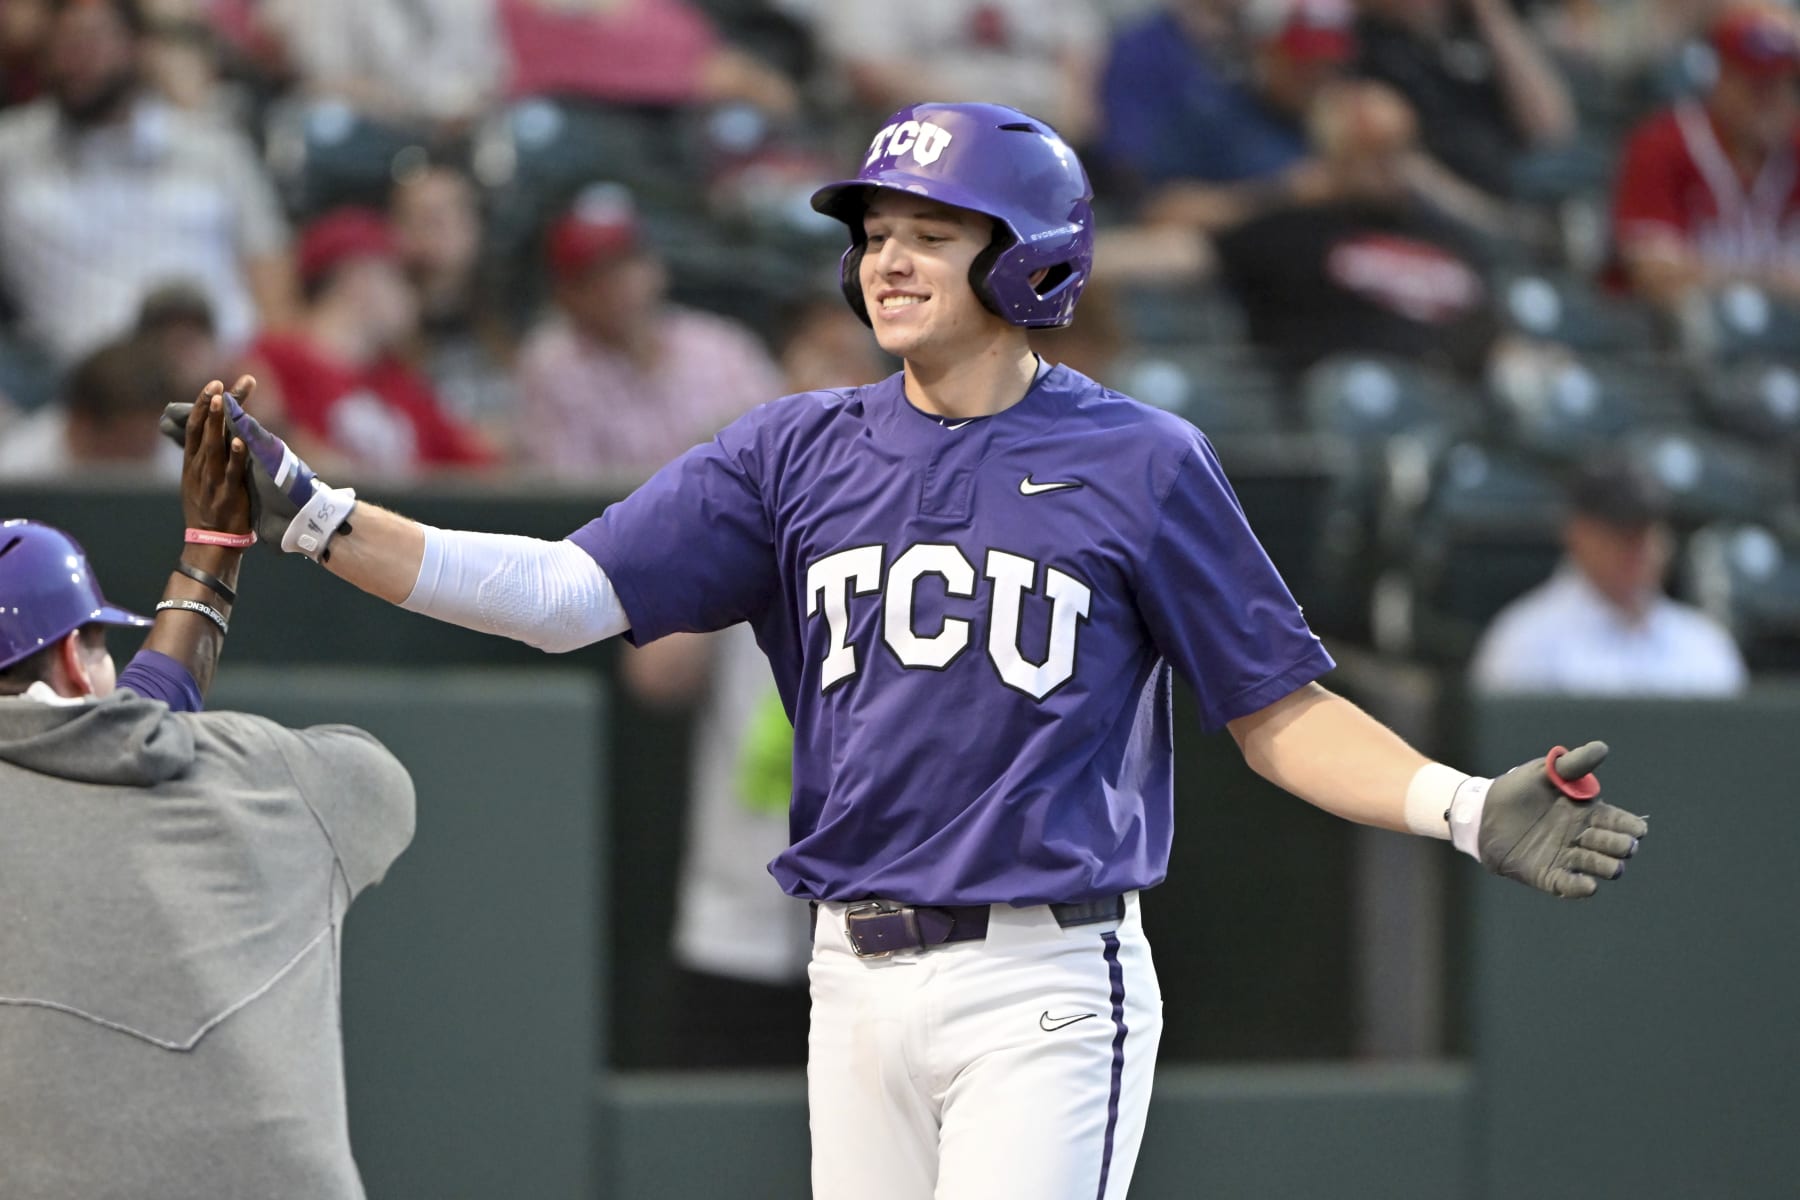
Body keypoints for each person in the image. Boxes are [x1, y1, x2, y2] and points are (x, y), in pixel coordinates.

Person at [161, 102, 1648, 1200]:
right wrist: (316, 516)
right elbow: (561, 594)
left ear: (1032, 261)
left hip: (1044, 980)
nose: (889, 260)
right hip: (851, 975)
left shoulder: (1142, 459)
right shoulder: (795, 449)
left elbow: (1273, 709)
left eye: (932, 234)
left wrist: (1456, 804)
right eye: (876, 235)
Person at [0, 381, 416, 1198]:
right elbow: (382, 793)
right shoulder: (260, 773)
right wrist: (217, 551)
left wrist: (208, 557)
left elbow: (97, 737)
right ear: (79, 659)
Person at [0, 0, 294, 364]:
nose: (76, 58)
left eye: (91, 39)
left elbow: (270, 272)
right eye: (61, 44)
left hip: (231, 370)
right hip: (99, 387)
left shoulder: (213, 147)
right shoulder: (11, 156)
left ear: (136, 46)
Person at [1210, 79, 1498, 377]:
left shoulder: (1445, 236)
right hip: (1345, 401)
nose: (1393, 165)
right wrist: (1279, 194)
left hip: (1452, 396)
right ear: (1336, 155)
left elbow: (1488, 327)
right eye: (1375, 151)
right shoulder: (1286, 233)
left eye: (1402, 148)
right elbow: (1181, 241)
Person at [513, 185, 785, 481]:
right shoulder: (553, 365)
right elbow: (567, 498)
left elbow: (781, 452)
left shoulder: (720, 345)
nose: (617, 285)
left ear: (655, 268)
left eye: (627, 264)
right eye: (594, 275)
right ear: (565, 295)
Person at [243, 206, 498, 477]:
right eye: (401, 277)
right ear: (360, 278)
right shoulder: (270, 362)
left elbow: (484, 469)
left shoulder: (401, 385)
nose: (413, 296)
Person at [1470, 454, 1748, 695]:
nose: (1638, 547)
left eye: (1647, 531)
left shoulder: (1704, 643)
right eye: (1620, 532)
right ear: (1577, 533)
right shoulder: (1525, 641)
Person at [1610, 3, 1800, 308]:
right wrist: (1773, 282)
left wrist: (1705, 273)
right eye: (1759, 88)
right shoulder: (1662, 144)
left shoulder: (1795, 147)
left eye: (1786, 86)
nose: (1774, 103)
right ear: (1721, 80)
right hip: (1670, 345)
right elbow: (1655, 276)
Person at [1354, 0, 1577, 202]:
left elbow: (1551, 128)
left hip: (1520, 177)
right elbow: (1410, 169)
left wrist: (1490, 13)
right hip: (1451, 208)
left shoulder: (1474, 27)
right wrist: (1499, 227)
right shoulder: (1368, 49)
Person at [0, 333, 182, 479]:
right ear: (82, 423)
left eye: (148, 442)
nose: (140, 453)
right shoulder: (14, 470)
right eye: (127, 443)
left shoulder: (181, 464)